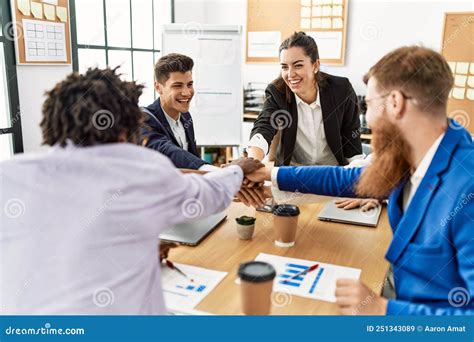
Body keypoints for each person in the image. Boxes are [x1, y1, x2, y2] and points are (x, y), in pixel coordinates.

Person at [0, 67, 264, 314]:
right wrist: (238, 167)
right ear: (127, 126)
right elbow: (209, 195)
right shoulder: (140, 170)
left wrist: (135, 241)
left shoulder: (9, 174)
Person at [247, 46, 474, 315]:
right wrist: (269, 173)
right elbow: (346, 178)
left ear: (395, 103)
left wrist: (382, 310)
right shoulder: (421, 151)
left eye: (368, 105)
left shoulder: (466, 188)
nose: (368, 119)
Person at [247, 32, 363, 167]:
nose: (290, 74)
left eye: (298, 65)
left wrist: (357, 173)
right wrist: (251, 162)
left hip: (331, 174)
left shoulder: (341, 89)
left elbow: (352, 139)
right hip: (291, 175)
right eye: (284, 67)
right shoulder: (277, 91)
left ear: (315, 65)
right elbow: (263, 126)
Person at [141, 53, 217, 171]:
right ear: (158, 87)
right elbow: (166, 150)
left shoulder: (186, 116)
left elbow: (191, 156)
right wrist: (210, 169)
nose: (187, 93)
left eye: (189, 84)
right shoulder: (145, 119)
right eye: (177, 86)